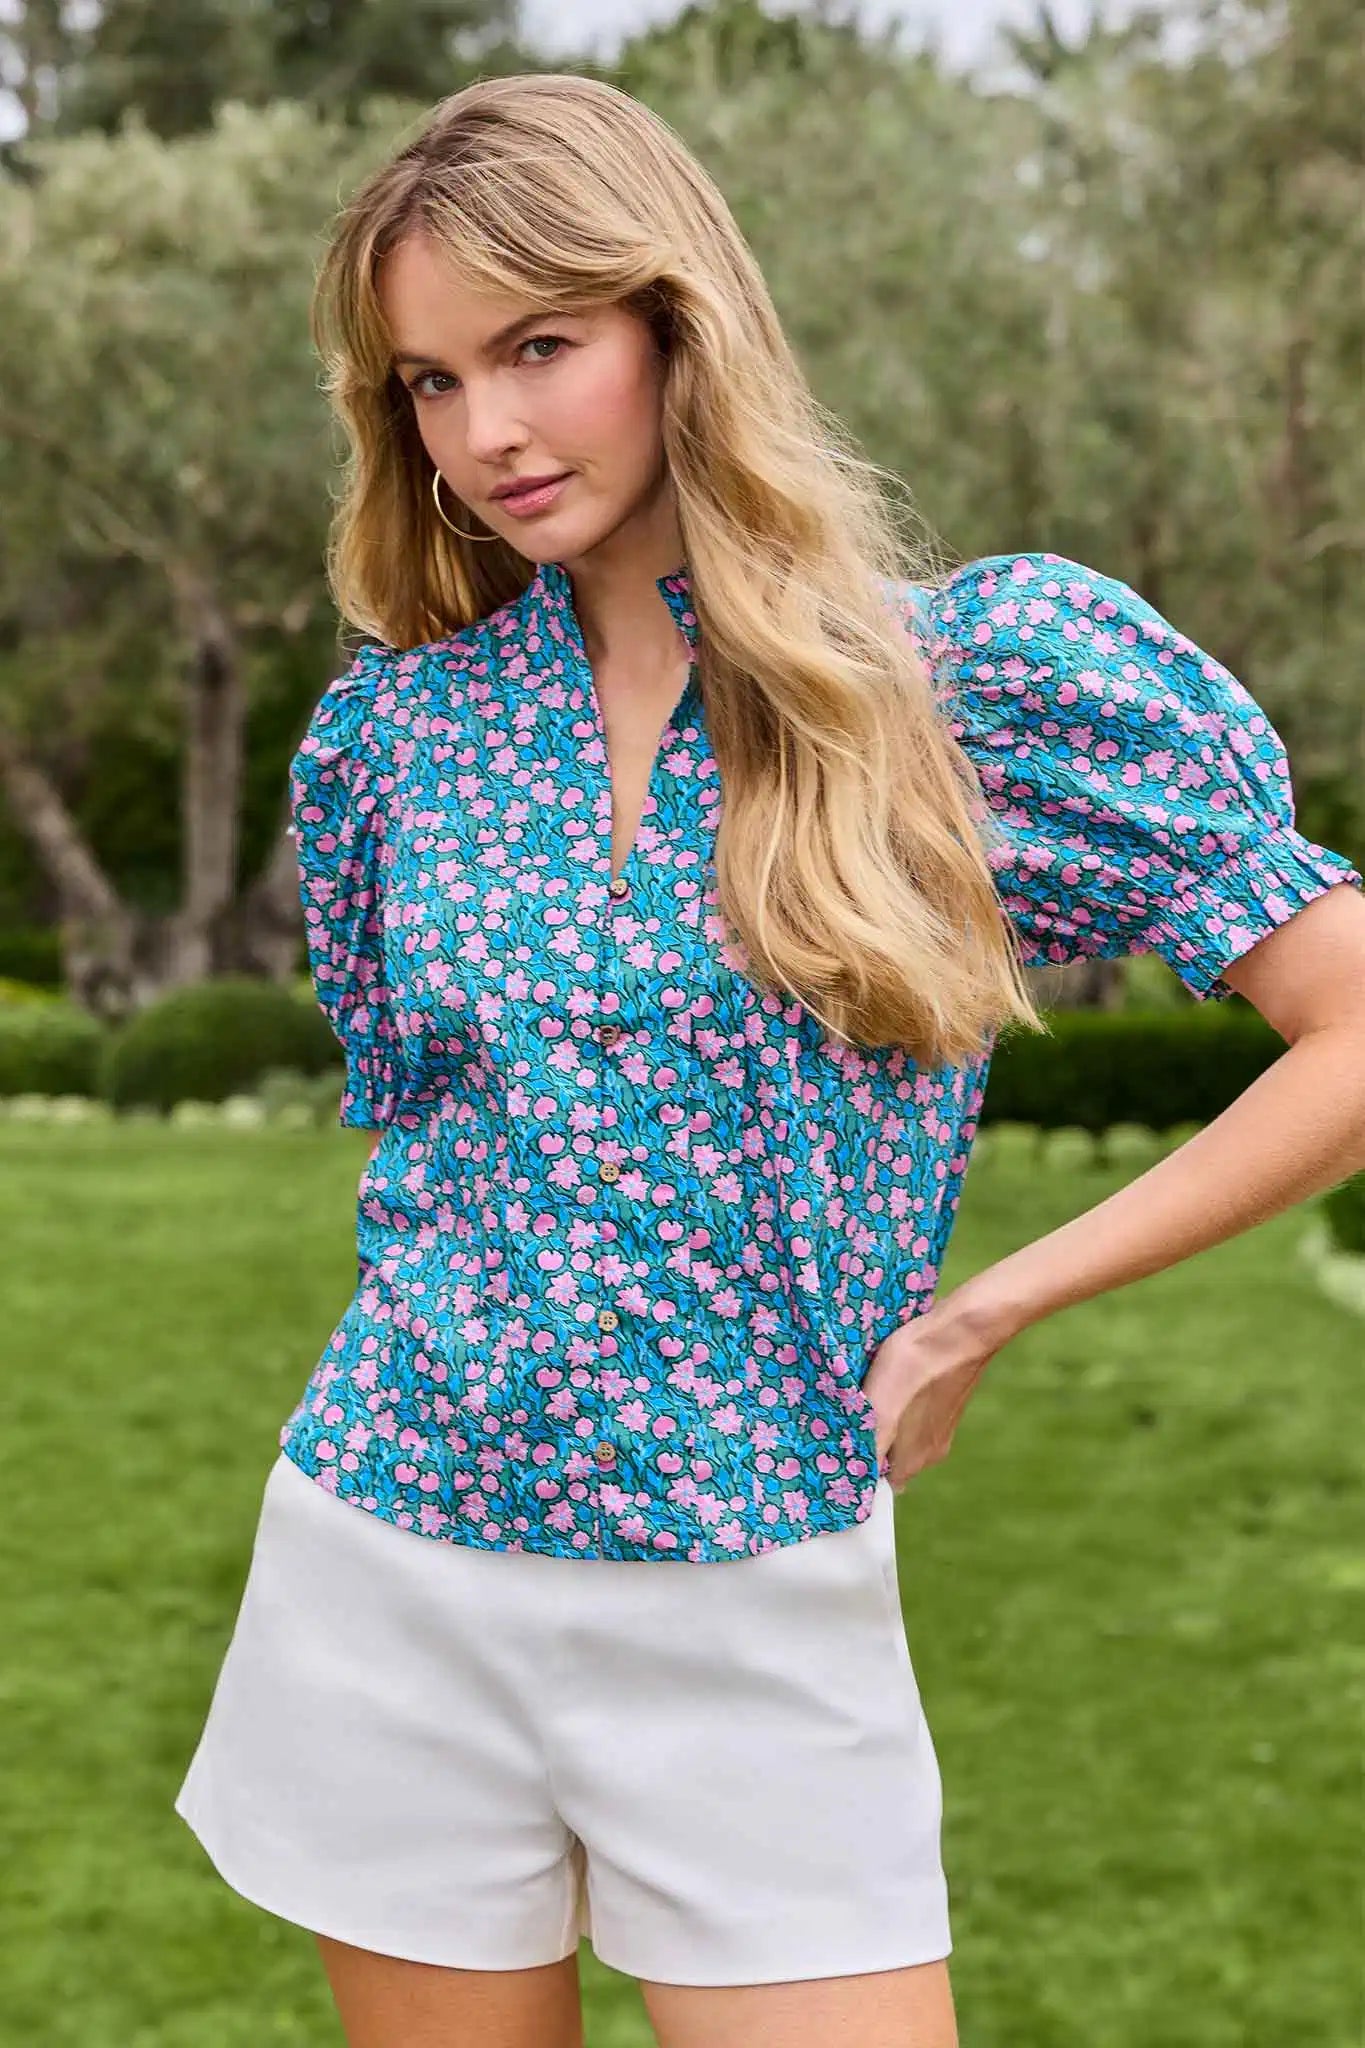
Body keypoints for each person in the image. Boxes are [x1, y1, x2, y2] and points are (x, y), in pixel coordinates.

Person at [173, 70, 1365, 2048]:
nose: (485, 432)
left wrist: (986, 1307)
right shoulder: (400, 736)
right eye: (429, 382)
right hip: (387, 1565)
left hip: (752, 1590)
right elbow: (422, 1146)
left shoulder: (969, 687)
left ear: (677, 323)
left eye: (537, 348)